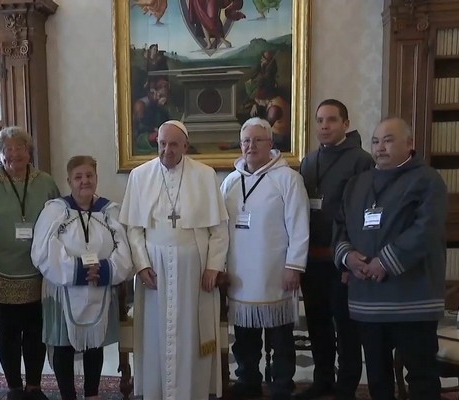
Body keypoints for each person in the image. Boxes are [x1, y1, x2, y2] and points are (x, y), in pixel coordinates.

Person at [333, 117, 447, 400]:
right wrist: (349, 258)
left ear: (410, 144)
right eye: (375, 141)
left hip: (413, 299)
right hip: (367, 300)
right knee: (377, 379)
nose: (380, 147)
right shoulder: (356, 184)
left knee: (421, 377)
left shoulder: (428, 180)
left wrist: (384, 261)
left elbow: (427, 230)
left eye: (388, 140)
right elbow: (340, 227)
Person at [119, 120, 229, 400]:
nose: (167, 150)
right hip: (154, 267)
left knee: (191, 332)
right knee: (156, 331)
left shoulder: (204, 176)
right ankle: (157, 391)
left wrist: (213, 266)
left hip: (194, 266)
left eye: (173, 145)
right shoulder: (140, 176)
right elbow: (134, 229)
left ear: (185, 146)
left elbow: (218, 229)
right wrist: (142, 264)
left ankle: (191, 391)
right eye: (162, 144)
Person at [220, 118, 310, 400]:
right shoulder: (231, 181)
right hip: (240, 273)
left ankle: (281, 383)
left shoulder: (288, 179)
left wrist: (294, 266)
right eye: (246, 140)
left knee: (280, 337)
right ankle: (248, 379)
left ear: (271, 143)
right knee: (244, 336)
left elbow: (299, 225)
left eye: (257, 140)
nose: (250, 146)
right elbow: (220, 228)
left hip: (275, 271)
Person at [31, 155, 133, 400]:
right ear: (69, 181)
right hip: (63, 290)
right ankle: (68, 395)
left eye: (89, 176)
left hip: (101, 286)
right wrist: (77, 271)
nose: (84, 181)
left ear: (96, 178)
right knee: (64, 345)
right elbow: (43, 251)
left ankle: (92, 394)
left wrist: (107, 269)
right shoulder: (56, 211)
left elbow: (125, 249)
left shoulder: (110, 211)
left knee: (93, 345)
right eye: (78, 177)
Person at [0, 127, 60, 400]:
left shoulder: (45, 182)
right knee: (8, 331)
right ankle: (13, 388)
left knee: (35, 331)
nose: (13, 153)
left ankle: (33, 386)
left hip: (37, 271)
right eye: (7, 149)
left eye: (18, 147)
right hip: (1, 271)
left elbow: (59, 220)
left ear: (28, 151)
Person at [294, 99, 373, 400]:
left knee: (346, 326)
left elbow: (363, 213)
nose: (324, 126)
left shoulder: (361, 160)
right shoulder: (309, 160)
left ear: (345, 124)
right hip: (311, 260)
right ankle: (322, 379)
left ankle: (347, 385)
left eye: (331, 120)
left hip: (342, 260)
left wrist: (352, 261)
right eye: (319, 121)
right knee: (317, 322)